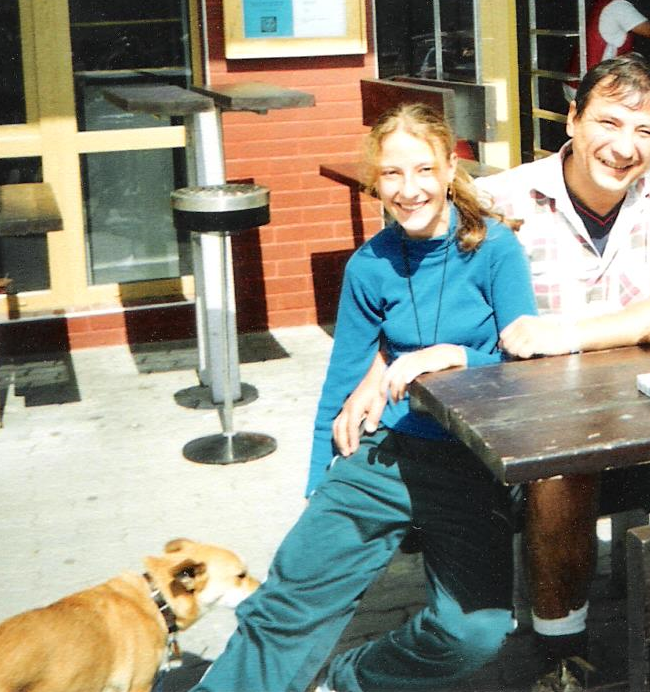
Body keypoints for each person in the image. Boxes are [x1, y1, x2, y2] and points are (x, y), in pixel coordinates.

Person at [192, 105, 537, 692]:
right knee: (288, 601)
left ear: (450, 169)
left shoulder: (494, 249)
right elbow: (342, 381)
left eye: (423, 170)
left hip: (468, 462)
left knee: (474, 634)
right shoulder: (369, 265)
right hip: (385, 453)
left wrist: (456, 356)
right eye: (392, 174)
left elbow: (526, 368)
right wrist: (319, 484)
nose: (409, 190)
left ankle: (355, 677)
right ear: (375, 181)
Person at [477, 55, 650, 692]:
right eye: (609, 122)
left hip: (647, 405)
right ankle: (560, 653)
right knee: (564, 461)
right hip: (538, 419)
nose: (625, 147)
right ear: (573, 120)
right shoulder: (504, 201)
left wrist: (568, 334)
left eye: (645, 131)